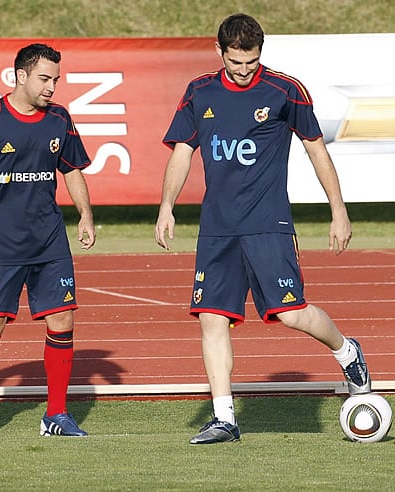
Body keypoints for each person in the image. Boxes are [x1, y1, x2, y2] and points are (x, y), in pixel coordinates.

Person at [154, 13, 371, 444]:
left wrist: (339, 211)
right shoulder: (199, 91)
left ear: (260, 54)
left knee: (291, 313)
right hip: (217, 229)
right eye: (236, 61)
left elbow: (316, 151)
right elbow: (182, 151)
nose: (243, 69)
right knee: (212, 318)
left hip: (267, 224)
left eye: (251, 62)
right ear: (220, 53)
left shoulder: (286, 91)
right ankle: (224, 419)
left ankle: (347, 351)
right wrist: (166, 208)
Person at [0, 43, 95, 438]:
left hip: (50, 243)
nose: (52, 87)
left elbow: (73, 170)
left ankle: (57, 416)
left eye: (56, 80)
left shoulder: (61, 119)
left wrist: (85, 214)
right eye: (45, 79)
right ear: (21, 76)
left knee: (62, 321)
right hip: (2, 247)